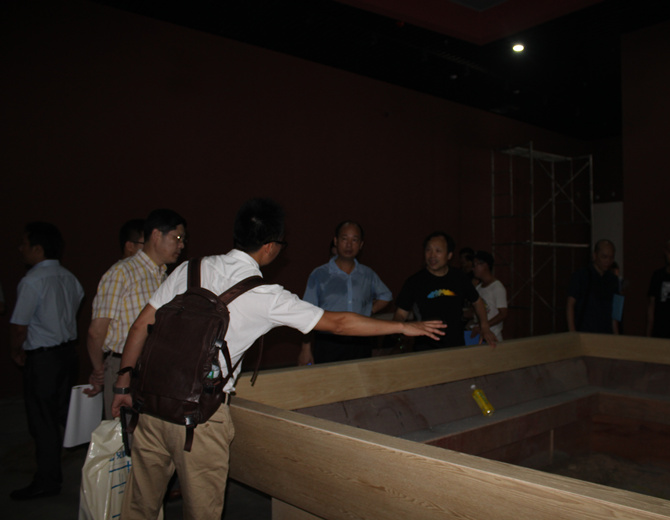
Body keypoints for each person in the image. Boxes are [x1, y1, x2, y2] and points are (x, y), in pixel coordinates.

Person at [111, 198, 444, 519]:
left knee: (139, 506)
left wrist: (123, 384)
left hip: (150, 403)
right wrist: (404, 326)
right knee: (202, 511)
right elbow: (339, 323)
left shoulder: (190, 268)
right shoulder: (266, 296)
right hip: (199, 417)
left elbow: (140, 326)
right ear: (270, 247)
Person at [84, 209, 187, 418]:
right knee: (125, 432)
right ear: (156, 235)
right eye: (177, 238)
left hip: (156, 368)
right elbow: (97, 331)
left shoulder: (164, 276)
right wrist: (99, 370)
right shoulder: (122, 272)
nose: (182, 245)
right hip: (124, 367)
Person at [9, 222, 84, 500]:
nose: (21, 249)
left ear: (38, 249)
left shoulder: (32, 280)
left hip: (44, 359)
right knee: (65, 413)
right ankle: (92, 466)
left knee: (43, 422)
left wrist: (15, 350)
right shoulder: (69, 277)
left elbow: (19, 326)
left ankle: (47, 481)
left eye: (24, 244)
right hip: (67, 354)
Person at [298, 221, 392, 365]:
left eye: (354, 240)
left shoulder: (367, 274)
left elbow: (386, 296)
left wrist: (368, 310)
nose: (349, 245)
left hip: (361, 340)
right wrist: (305, 348)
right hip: (328, 342)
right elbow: (307, 313)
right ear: (336, 241)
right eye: (344, 239)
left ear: (361, 244)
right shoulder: (319, 274)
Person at [393, 232, 496, 350]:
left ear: (449, 255)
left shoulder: (459, 277)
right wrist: (402, 329)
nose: (432, 255)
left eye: (438, 251)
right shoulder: (414, 282)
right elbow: (400, 314)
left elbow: (477, 302)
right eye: (428, 250)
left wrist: (485, 327)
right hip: (425, 348)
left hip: (456, 346)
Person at [566, 240, 620, 334]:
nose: (608, 261)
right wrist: (572, 333)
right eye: (604, 257)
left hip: (606, 334)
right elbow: (570, 304)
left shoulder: (614, 280)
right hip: (585, 332)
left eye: (611, 257)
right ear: (595, 256)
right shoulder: (581, 276)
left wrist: (616, 336)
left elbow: (616, 313)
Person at [471, 251, 508, 342]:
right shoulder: (478, 288)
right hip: (480, 336)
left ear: (485, 265)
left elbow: (503, 314)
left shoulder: (497, 287)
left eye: (476, 265)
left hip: (494, 336)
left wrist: (484, 326)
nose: (473, 268)